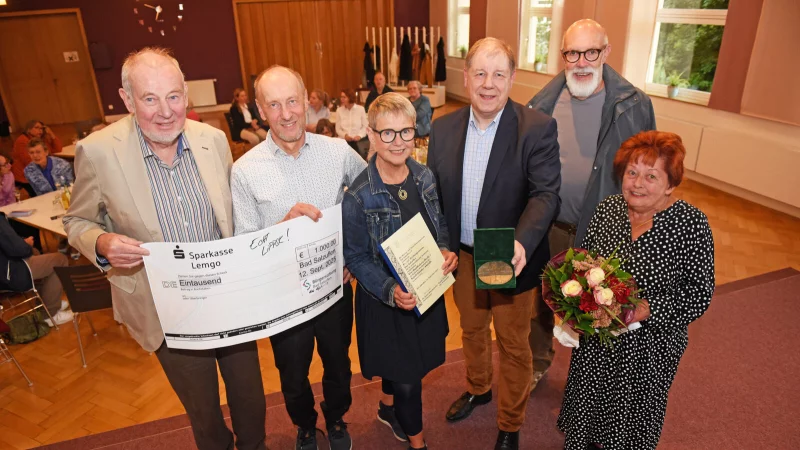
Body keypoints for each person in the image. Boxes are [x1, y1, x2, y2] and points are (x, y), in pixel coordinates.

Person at [63, 47, 267, 450]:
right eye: (149, 98)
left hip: (227, 297)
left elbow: (236, 212)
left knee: (251, 397)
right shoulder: (99, 152)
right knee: (203, 411)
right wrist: (101, 242)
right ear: (126, 99)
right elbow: (76, 222)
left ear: (186, 96)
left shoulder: (212, 140)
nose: (165, 111)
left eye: (173, 96)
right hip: (166, 311)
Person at [427, 37, 560, 450]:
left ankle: (510, 422)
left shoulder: (536, 127)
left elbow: (545, 195)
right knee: (471, 330)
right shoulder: (443, 127)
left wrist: (522, 242)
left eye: (498, 74)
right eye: (480, 74)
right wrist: (440, 244)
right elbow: (434, 195)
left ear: (512, 78)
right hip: (462, 257)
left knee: (513, 343)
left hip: (508, 255)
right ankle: (479, 387)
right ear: (465, 78)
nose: (489, 84)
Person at [230, 65, 366, 450]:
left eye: (292, 101)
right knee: (292, 372)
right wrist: (281, 225)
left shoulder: (339, 152)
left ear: (307, 101)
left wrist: (352, 256)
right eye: (274, 104)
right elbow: (244, 240)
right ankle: (305, 425)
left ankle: (337, 418)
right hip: (283, 296)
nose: (286, 113)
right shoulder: (244, 171)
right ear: (260, 109)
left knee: (338, 364)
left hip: (335, 288)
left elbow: (366, 199)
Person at [557, 130, 714, 449]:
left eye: (651, 176)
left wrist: (648, 308)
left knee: (628, 421)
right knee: (588, 403)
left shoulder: (690, 225)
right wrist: (573, 305)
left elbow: (699, 295)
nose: (637, 183)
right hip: (599, 337)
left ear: (670, 184)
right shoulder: (607, 211)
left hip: (649, 348)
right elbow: (583, 264)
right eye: (632, 173)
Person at [525, 19, 657, 390]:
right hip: (551, 226)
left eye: (591, 52)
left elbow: (650, 172)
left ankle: (590, 383)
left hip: (604, 233)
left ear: (606, 52)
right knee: (541, 303)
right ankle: (538, 364)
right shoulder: (543, 102)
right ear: (562, 55)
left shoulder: (633, 105)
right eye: (572, 53)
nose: (581, 62)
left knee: (598, 306)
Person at [343, 93, 457, 450]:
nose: (398, 142)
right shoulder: (359, 195)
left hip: (424, 290)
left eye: (405, 132)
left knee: (410, 367)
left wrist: (444, 249)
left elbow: (438, 222)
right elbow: (356, 257)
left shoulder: (424, 176)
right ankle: (418, 444)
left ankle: (386, 406)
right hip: (386, 300)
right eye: (388, 134)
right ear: (371, 136)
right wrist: (391, 290)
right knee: (409, 380)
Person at [0, 212, 73, 326]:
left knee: (36, 253)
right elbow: (18, 249)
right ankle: (50, 315)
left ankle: (47, 304)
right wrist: (26, 244)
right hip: (10, 274)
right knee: (60, 260)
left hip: (5, 270)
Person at [12, 120, 63, 197]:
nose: (40, 131)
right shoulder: (22, 140)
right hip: (26, 175)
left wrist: (51, 134)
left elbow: (58, 149)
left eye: (42, 128)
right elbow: (29, 161)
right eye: (37, 128)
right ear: (28, 129)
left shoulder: (40, 139)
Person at [335, 88, 369, 159]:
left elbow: (365, 126)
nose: (342, 99)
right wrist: (345, 136)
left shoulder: (360, 109)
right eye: (341, 97)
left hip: (357, 141)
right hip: (344, 141)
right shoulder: (339, 110)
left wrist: (359, 136)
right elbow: (337, 129)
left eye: (344, 97)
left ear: (350, 97)